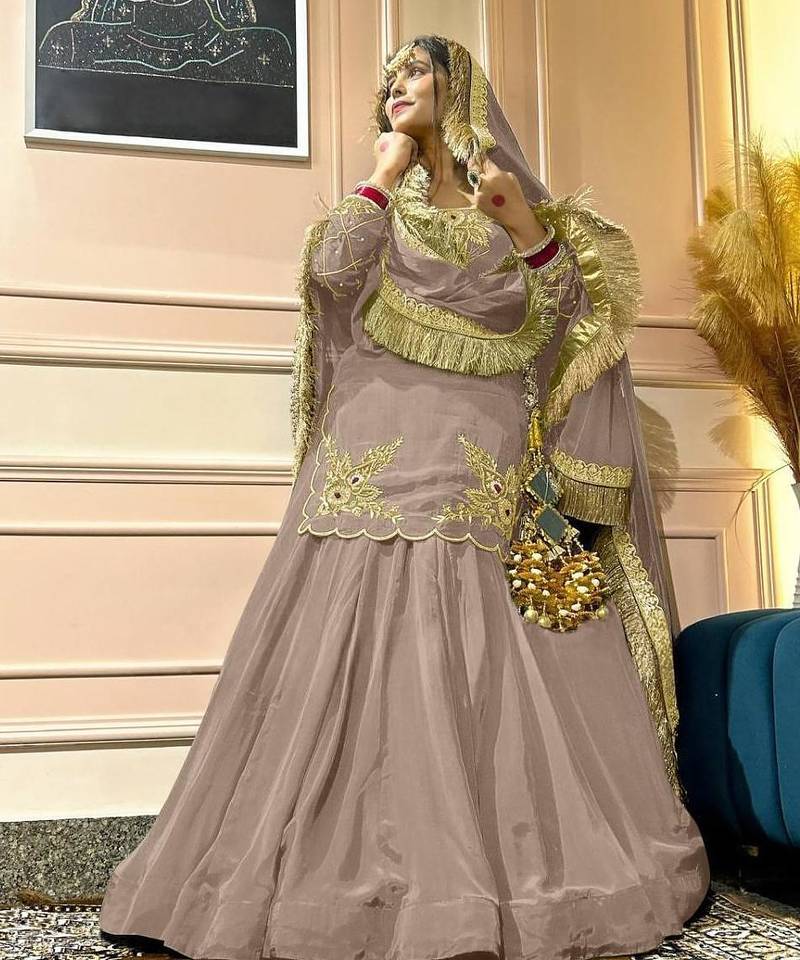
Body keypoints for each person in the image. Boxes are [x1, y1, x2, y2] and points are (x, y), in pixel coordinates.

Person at [98, 33, 711, 960]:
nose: (397, 85)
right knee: (353, 636)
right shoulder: (382, 211)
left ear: (460, 89)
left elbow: (566, 323)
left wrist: (523, 224)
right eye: (389, 77)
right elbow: (330, 278)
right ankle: (333, 876)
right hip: (372, 448)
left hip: (478, 457)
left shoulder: (508, 207)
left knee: (474, 650)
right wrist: (382, 176)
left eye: (416, 72)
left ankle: (485, 881)